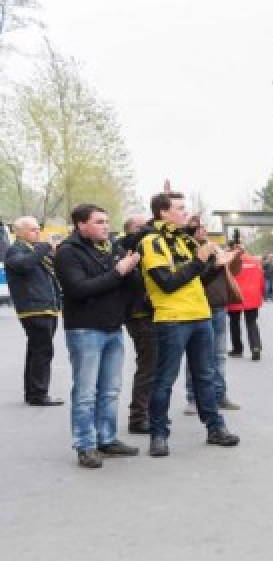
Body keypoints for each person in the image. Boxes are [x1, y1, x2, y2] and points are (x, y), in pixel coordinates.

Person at [139, 191, 240, 457]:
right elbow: (167, 282)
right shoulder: (152, 242)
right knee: (164, 380)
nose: (186, 213)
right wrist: (199, 260)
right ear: (163, 212)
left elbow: (197, 280)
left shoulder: (184, 241)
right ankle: (158, 435)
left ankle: (215, 428)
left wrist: (217, 265)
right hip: (172, 319)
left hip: (200, 316)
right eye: (180, 208)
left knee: (205, 376)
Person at [54, 204, 142, 468]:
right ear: (81, 225)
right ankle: (85, 444)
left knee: (111, 390)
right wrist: (119, 271)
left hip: (113, 327)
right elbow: (80, 289)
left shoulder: (110, 248)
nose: (106, 226)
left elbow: (129, 286)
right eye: (99, 221)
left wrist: (133, 268)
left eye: (107, 221)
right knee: (85, 392)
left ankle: (107, 439)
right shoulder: (68, 252)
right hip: (85, 329)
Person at [183, 217, 242, 413]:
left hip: (218, 306)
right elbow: (193, 277)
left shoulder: (215, 248)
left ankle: (220, 395)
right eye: (198, 228)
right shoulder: (185, 250)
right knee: (196, 355)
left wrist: (235, 256)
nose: (203, 231)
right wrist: (211, 262)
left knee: (219, 355)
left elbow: (233, 272)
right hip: (197, 308)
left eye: (204, 228)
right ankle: (193, 398)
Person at [5, 216, 64, 406]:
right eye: (32, 230)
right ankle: (39, 394)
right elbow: (24, 265)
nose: (37, 232)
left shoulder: (35, 250)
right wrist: (42, 249)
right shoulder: (15, 250)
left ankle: (32, 393)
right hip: (33, 308)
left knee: (36, 351)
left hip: (47, 307)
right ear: (19, 232)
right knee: (43, 351)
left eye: (38, 229)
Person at [120, 214, 156, 435]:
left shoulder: (147, 248)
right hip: (138, 314)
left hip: (152, 313)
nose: (146, 231)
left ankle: (149, 412)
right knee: (147, 366)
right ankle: (138, 416)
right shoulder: (125, 249)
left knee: (154, 366)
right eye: (141, 228)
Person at [227, 249, 264, 360]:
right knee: (251, 322)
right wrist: (261, 293)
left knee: (234, 323)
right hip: (252, 295)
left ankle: (237, 349)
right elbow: (262, 279)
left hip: (235, 295)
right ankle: (255, 348)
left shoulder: (231, 262)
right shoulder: (255, 262)